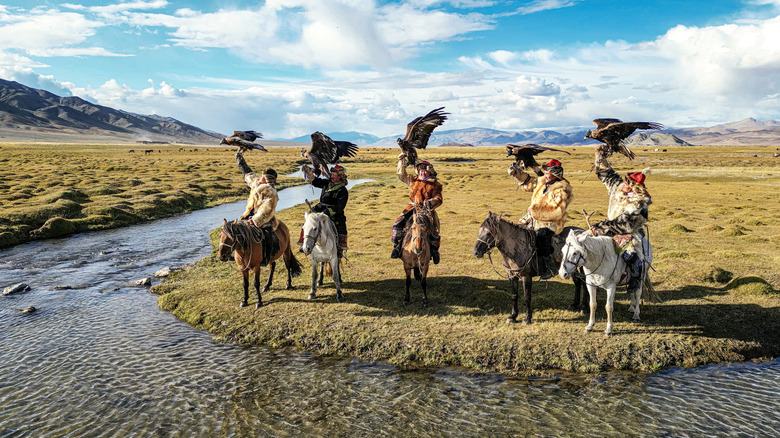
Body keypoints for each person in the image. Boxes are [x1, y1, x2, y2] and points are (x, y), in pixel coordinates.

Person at [589, 157, 652, 298]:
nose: (624, 184)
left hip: (629, 233)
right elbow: (608, 176)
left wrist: (600, 228)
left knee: (630, 254)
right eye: (625, 181)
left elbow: (625, 226)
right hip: (609, 226)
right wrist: (600, 157)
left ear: (634, 187)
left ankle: (635, 278)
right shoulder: (618, 188)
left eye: (627, 183)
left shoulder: (639, 204)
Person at [508, 158, 573, 279]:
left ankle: (550, 268)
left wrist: (535, 211)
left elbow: (557, 211)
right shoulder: (543, 182)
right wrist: (516, 174)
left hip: (550, 223)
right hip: (532, 219)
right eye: (546, 172)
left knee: (542, 239)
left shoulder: (563, 190)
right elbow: (529, 182)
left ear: (555, 175)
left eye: (548, 173)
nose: (546, 174)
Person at [391, 154, 443, 263]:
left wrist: (430, 202)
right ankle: (396, 248)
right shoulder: (413, 181)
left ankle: (435, 252)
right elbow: (401, 175)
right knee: (397, 225)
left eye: (424, 171)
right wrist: (401, 160)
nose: (422, 173)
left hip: (426, 211)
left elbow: (439, 198)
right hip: (411, 208)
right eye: (420, 171)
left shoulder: (435, 185)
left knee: (434, 232)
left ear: (429, 172)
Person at [236, 151, 279, 267]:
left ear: (267, 179)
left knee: (267, 235)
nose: (259, 177)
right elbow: (248, 173)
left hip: (264, 220)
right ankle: (233, 253)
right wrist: (240, 160)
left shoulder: (271, 192)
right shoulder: (256, 184)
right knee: (234, 230)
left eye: (262, 176)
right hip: (248, 214)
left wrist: (254, 220)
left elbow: (266, 210)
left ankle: (266, 257)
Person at [301, 164, 350, 258]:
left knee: (341, 226)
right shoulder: (327, 183)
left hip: (334, 212)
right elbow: (315, 181)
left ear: (339, 177)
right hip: (320, 208)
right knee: (308, 222)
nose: (331, 176)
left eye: (333, 175)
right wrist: (309, 173)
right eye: (331, 174)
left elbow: (340, 206)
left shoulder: (343, 191)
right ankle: (303, 243)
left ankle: (340, 248)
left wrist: (327, 212)